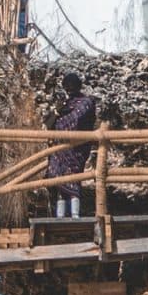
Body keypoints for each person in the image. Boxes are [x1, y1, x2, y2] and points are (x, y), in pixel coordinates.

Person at [46, 72, 99, 219]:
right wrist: (57, 111)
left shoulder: (86, 103)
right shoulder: (64, 105)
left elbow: (77, 122)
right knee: (58, 180)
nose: (69, 90)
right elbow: (49, 125)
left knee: (73, 178)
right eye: (66, 88)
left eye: (71, 87)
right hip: (59, 150)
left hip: (77, 149)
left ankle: (75, 215)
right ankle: (60, 217)